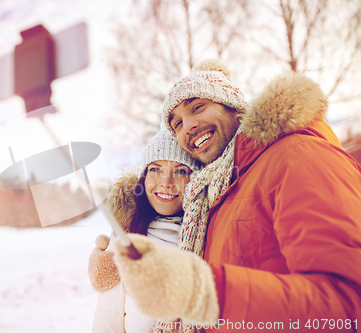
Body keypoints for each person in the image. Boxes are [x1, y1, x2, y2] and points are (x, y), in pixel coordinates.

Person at [111, 59, 361, 333]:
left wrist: (203, 292)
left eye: (199, 107)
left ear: (234, 108)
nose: (189, 126)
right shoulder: (216, 192)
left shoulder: (297, 156)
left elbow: (349, 309)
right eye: (177, 123)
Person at [90, 128, 198, 333]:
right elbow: (107, 319)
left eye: (181, 171)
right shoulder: (125, 237)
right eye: (156, 169)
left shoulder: (206, 236)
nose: (166, 183)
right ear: (144, 177)